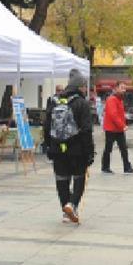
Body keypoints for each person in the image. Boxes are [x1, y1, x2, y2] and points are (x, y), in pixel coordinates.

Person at [45, 69, 94, 223]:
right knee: (79, 178)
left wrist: (48, 146)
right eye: (85, 86)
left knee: (61, 179)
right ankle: (72, 205)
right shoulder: (82, 103)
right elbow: (86, 130)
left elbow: (46, 126)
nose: (86, 89)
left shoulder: (53, 101)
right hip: (77, 149)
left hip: (56, 148)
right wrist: (90, 152)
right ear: (80, 86)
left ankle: (66, 212)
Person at [101, 81, 133, 174]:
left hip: (118, 129)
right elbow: (113, 115)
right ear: (116, 88)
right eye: (122, 88)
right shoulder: (112, 99)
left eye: (125, 88)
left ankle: (127, 167)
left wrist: (123, 123)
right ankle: (105, 167)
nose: (124, 90)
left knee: (124, 148)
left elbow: (119, 114)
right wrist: (123, 125)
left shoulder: (119, 99)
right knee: (108, 149)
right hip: (111, 129)